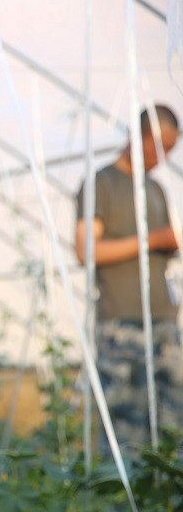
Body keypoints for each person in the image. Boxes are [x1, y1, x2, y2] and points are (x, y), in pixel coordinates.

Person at [75, 104, 183, 456]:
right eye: (160, 147)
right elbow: (86, 250)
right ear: (139, 138)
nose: (164, 157)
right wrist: (151, 240)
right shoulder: (102, 183)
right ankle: (122, 491)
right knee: (125, 431)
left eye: (171, 150)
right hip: (121, 328)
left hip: (164, 325)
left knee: (172, 428)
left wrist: (170, 243)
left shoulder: (156, 188)